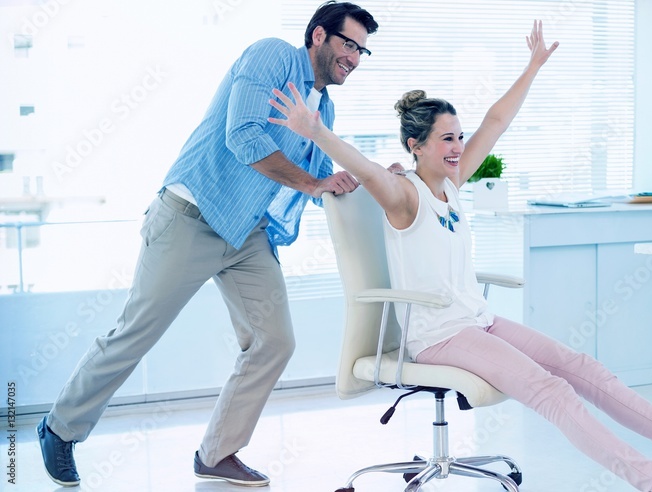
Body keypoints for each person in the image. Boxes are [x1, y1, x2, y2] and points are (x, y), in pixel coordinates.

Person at [269, 20, 652, 492]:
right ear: (414, 146)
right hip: (438, 337)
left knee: (582, 367)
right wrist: (315, 131)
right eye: (447, 138)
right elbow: (363, 167)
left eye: (459, 137)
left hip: (476, 321)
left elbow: (496, 121)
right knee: (553, 393)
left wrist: (532, 68)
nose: (460, 146)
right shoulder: (403, 195)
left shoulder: (453, 185)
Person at [35, 2, 392, 488]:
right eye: (348, 43)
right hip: (192, 214)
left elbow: (324, 177)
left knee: (275, 341)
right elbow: (243, 136)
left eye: (362, 50)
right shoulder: (272, 58)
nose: (354, 57)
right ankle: (59, 427)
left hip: (247, 234)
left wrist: (376, 179)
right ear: (318, 36)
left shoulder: (323, 108)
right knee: (135, 332)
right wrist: (313, 183)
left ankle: (217, 453)